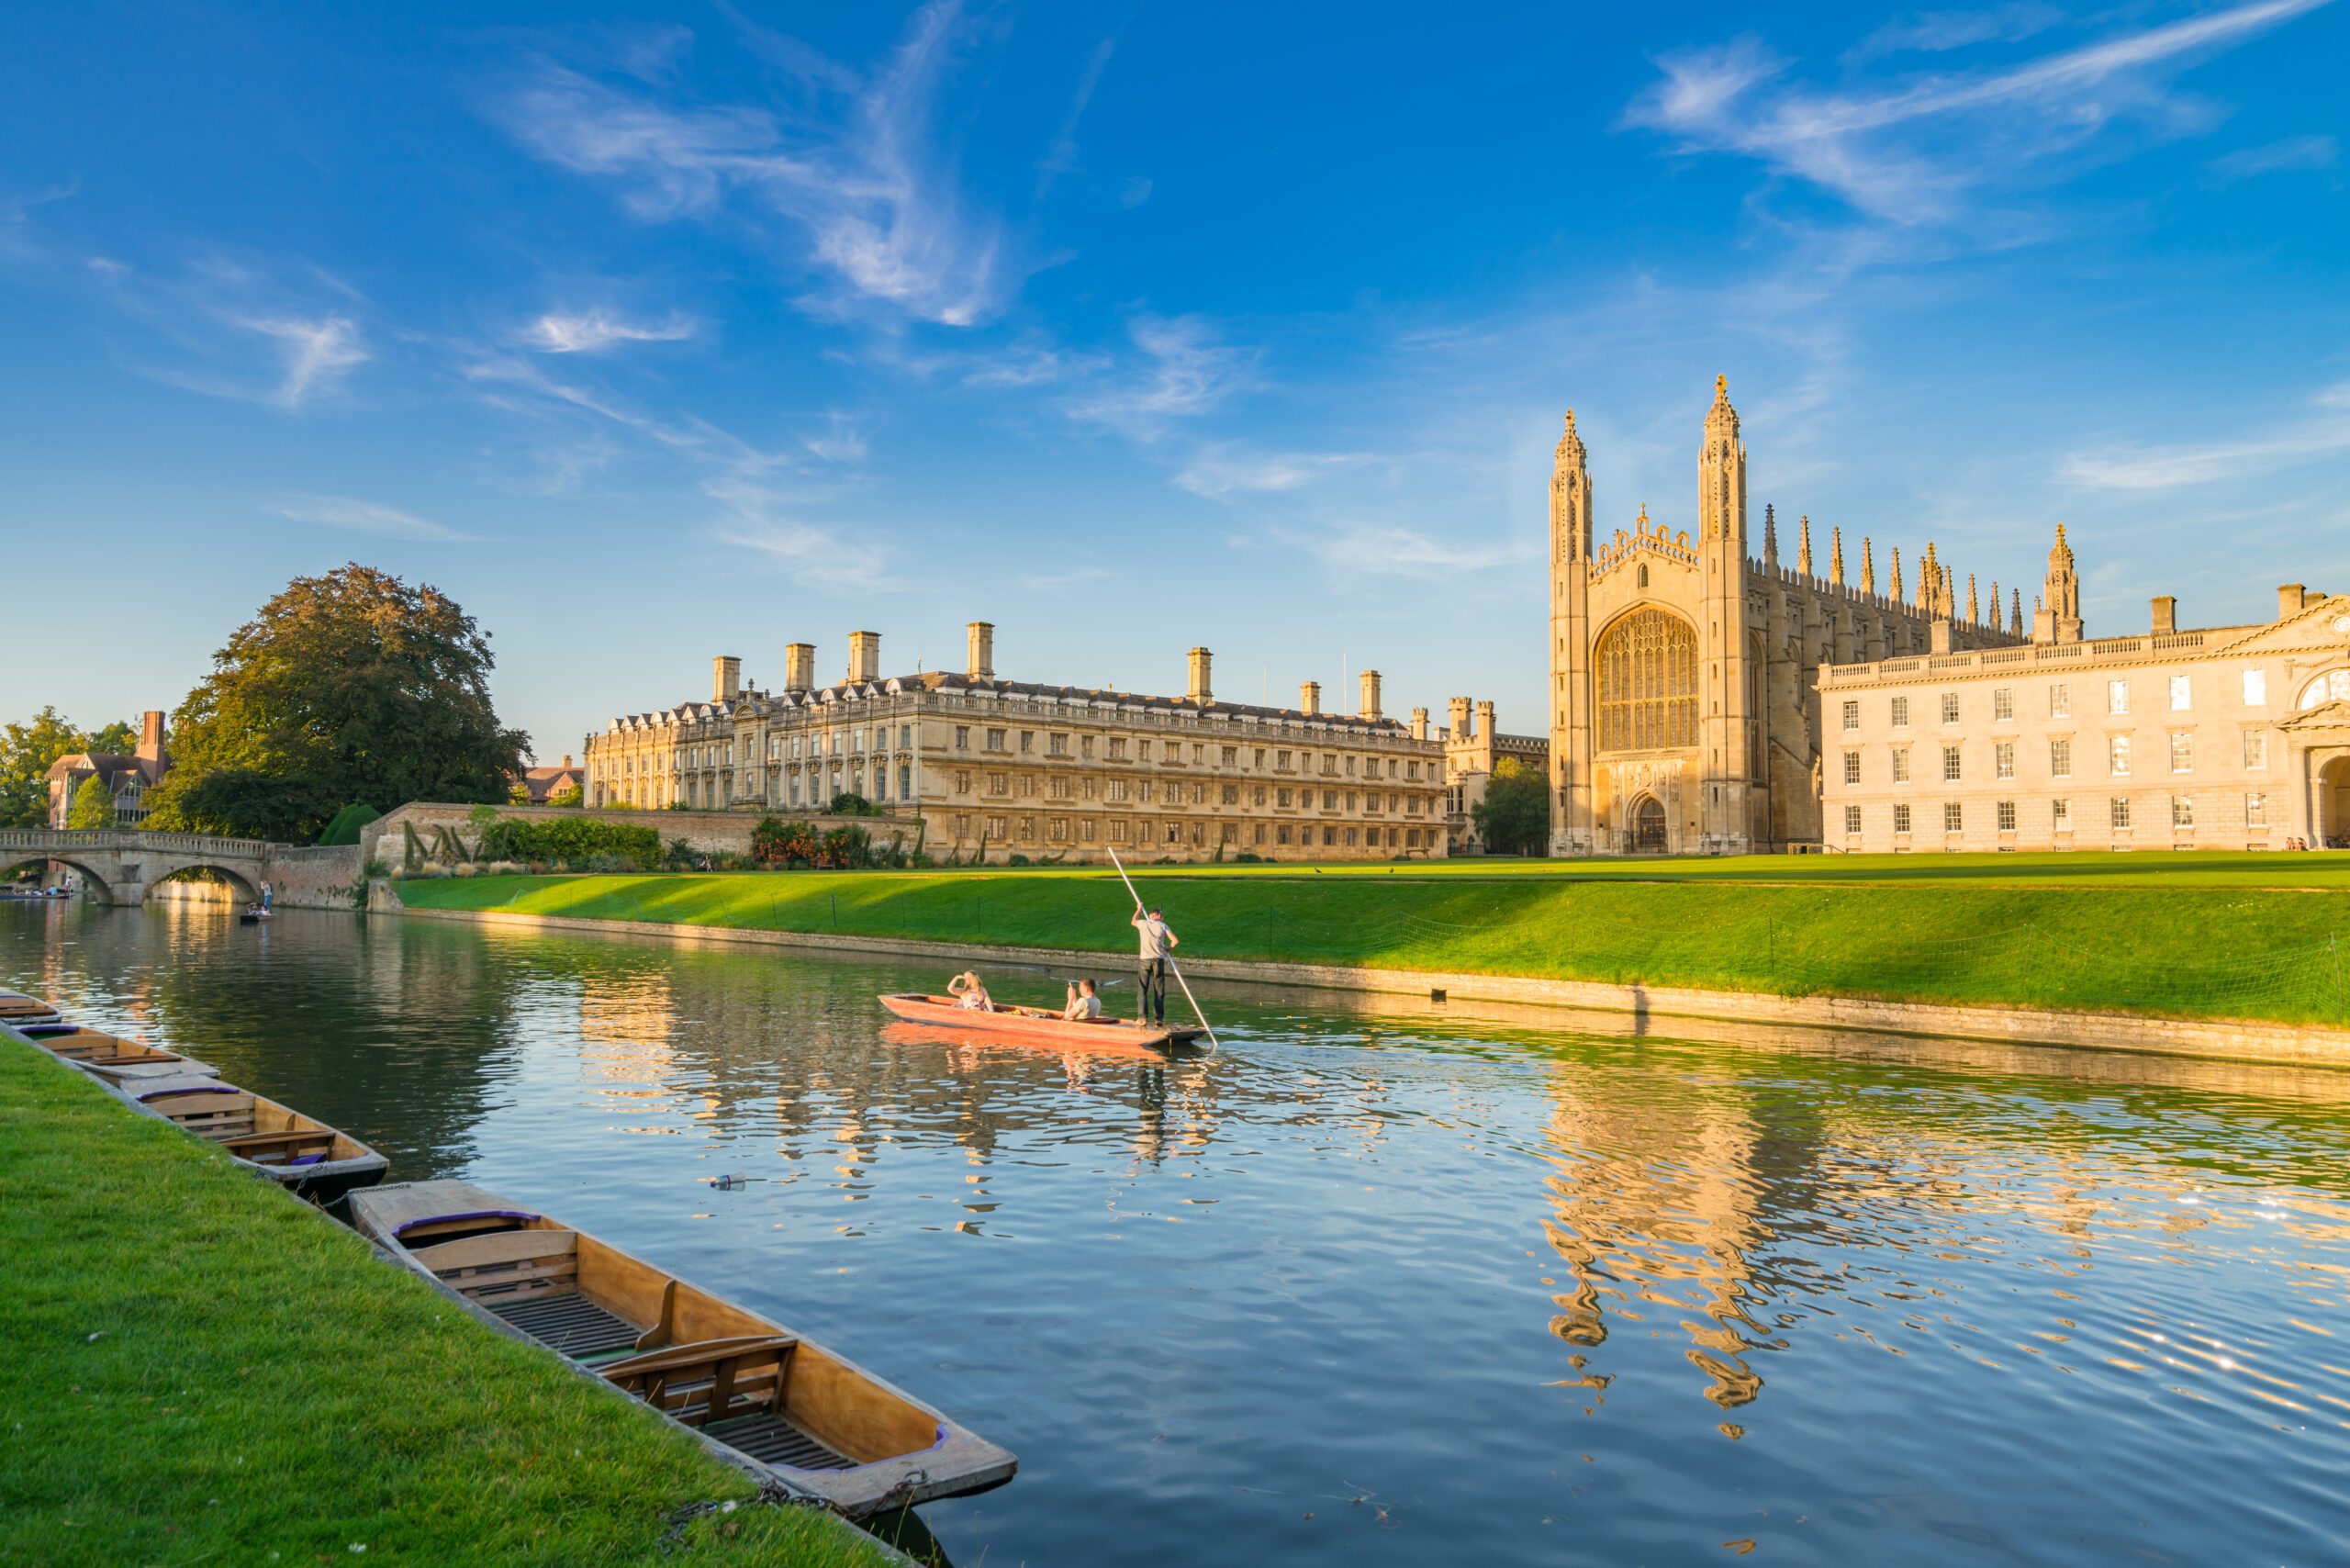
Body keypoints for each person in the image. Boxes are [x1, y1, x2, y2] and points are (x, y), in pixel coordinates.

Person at [1132, 906, 1177, 1025]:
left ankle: (1142, 1018)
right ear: (1155, 915)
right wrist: (1169, 948)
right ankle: (1159, 1019)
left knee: (1142, 989)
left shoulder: (1143, 923)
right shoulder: (1163, 926)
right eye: (1161, 915)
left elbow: (1133, 921)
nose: (1162, 918)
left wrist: (1139, 909)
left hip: (1145, 960)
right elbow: (1175, 941)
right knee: (1159, 991)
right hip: (1158, 960)